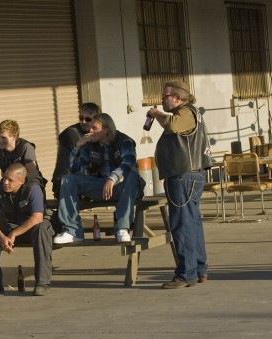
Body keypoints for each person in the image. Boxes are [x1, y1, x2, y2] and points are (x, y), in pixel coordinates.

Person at [147, 81, 209, 289]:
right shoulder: (188, 113)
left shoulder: (186, 112)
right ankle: (198, 269)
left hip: (183, 176)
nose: (161, 101)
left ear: (178, 98)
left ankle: (186, 274)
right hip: (186, 176)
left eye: (165, 97)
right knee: (191, 223)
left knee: (182, 225)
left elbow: (172, 125)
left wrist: (155, 114)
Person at [53, 113, 143, 244]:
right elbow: (76, 171)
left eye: (94, 128)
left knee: (132, 175)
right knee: (68, 179)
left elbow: (128, 163)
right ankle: (72, 232)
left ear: (106, 129)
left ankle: (122, 228)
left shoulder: (124, 141)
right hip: (100, 187)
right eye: (90, 127)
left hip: (122, 188)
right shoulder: (89, 144)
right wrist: (78, 146)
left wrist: (112, 178)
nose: (90, 130)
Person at [0, 163, 54, 296]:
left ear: (21, 181)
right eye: (5, 178)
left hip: (32, 228)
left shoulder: (33, 188)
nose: (5, 182)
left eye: (10, 180)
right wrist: (2, 237)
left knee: (42, 229)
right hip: (11, 227)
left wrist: (13, 234)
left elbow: (37, 218)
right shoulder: (0, 189)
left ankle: (42, 283)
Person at [0, 119, 46, 200]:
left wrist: (16, 186)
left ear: (14, 137)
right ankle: (5, 200)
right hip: (8, 187)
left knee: (33, 185)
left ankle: (8, 200)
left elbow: (33, 173)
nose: (0, 140)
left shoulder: (25, 147)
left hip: (24, 185)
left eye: (3, 138)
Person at [52, 103, 101, 198]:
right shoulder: (72, 133)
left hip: (84, 181)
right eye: (81, 118)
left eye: (88, 119)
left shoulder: (97, 134)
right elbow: (81, 163)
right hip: (65, 184)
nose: (83, 121)